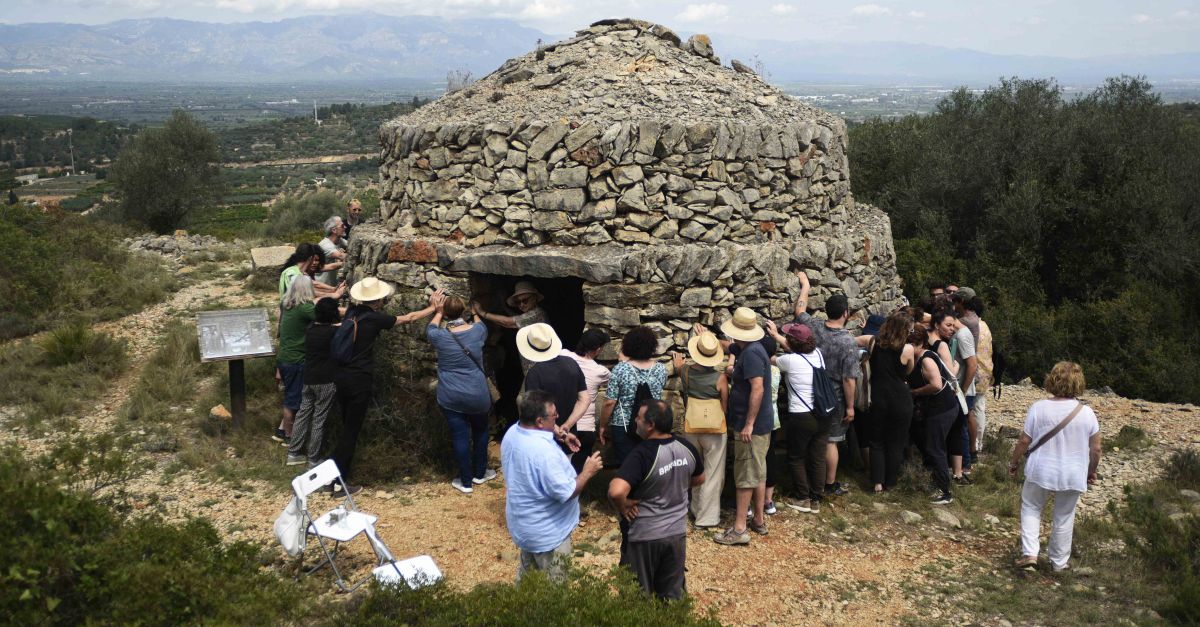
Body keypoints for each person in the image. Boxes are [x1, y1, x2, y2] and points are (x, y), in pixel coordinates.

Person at [331, 279, 442, 494]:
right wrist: (433, 307)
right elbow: (408, 318)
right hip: (359, 379)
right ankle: (338, 482)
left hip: (341, 377)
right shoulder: (373, 318)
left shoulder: (352, 312)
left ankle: (333, 475)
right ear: (378, 299)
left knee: (346, 427)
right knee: (350, 433)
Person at [502, 390, 603, 582]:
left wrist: (560, 435)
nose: (557, 418)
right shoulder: (544, 453)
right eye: (554, 416)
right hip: (549, 536)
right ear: (540, 421)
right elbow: (567, 492)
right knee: (554, 597)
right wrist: (588, 471)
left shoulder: (513, 432)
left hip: (525, 526)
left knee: (527, 588)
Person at [608, 400, 705, 600]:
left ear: (650, 425)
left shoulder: (642, 454)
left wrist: (623, 506)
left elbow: (616, 491)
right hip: (676, 534)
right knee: (671, 597)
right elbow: (699, 478)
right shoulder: (685, 447)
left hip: (643, 536)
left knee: (635, 601)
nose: (635, 420)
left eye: (639, 417)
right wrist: (674, 485)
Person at [1009, 362, 1101, 572]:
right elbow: (1096, 449)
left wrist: (1014, 462)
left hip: (1041, 468)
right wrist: (1091, 471)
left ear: (1052, 380)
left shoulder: (1039, 407)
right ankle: (1059, 563)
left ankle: (1030, 553)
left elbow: (1024, 440)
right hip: (1073, 471)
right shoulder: (1087, 413)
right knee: (1064, 515)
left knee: (1031, 507)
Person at [791, 270, 859, 497]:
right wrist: (850, 407)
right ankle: (829, 483)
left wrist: (805, 286)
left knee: (812, 441)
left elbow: (799, 310)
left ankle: (811, 480)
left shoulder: (815, 328)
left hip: (810, 391)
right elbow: (849, 379)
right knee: (831, 441)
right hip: (835, 397)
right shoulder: (848, 342)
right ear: (846, 314)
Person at [713, 307, 771, 546]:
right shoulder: (746, 348)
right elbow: (729, 346)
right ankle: (758, 519)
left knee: (746, 473)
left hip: (752, 428)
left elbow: (757, 389)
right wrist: (707, 338)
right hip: (758, 425)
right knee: (757, 471)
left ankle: (739, 529)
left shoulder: (753, 355)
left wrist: (748, 424)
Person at [427, 294, 494, 494]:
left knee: (460, 436)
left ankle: (466, 482)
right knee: (481, 431)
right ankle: (480, 474)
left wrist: (438, 312)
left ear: (446, 312)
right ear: (463, 310)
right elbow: (480, 324)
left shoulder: (439, 336)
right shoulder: (478, 331)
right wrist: (475, 312)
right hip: (477, 394)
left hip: (451, 394)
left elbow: (431, 327)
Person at [765, 319, 828, 513]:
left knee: (796, 456)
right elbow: (795, 350)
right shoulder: (817, 354)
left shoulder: (789, 361)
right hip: (823, 413)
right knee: (818, 456)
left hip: (802, 415)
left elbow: (770, 359)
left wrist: (773, 336)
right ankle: (817, 497)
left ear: (792, 344)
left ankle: (803, 497)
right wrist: (778, 336)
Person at [673, 329, 728, 528]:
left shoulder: (685, 371)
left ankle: (694, 508)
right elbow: (724, 404)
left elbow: (680, 371)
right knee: (713, 473)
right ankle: (707, 518)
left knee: (695, 469)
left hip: (692, 425)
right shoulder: (719, 377)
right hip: (714, 428)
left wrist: (678, 365)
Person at [520, 323, 590, 457]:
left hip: (546, 440)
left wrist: (558, 431)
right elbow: (585, 399)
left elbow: (536, 411)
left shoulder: (534, 374)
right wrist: (567, 426)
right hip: (570, 435)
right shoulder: (572, 363)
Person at [601, 326, 668, 465]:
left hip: (623, 425)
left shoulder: (620, 369)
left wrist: (602, 425)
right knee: (649, 466)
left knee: (627, 468)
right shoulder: (661, 369)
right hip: (651, 425)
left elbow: (609, 403)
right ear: (652, 346)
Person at [286, 297, 340, 468]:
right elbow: (340, 329)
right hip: (325, 380)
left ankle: (294, 453)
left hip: (308, 378)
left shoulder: (310, 329)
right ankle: (313, 459)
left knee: (303, 414)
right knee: (319, 419)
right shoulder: (333, 332)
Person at [865, 312, 916, 492]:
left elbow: (856, 340)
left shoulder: (873, 342)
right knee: (896, 442)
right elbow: (909, 370)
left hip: (879, 397)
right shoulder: (908, 349)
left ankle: (877, 482)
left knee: (876, 441)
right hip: (900, 398)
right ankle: (890, 481)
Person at [909, 323, 959, 504]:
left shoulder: (926, 360)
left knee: (935, 446)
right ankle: (934, 481)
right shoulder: (917, 357)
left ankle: (944, 491)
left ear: (921, 343)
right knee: (929, 444)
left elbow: (936, 385)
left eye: (911, 343)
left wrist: (915, 392)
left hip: (942, 407)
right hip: (933, 408)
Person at [276, 275, 318, 448]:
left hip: (284, 357)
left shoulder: (286, 305)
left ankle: (281, 430)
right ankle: (290, 437)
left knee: (290, 394)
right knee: (293, 400)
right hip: (296, 360)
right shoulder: (305, 308)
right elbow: (325, 317)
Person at [562, 329, 613, 472]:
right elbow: (614, 386)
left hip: (562, 423)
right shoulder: (601, 372)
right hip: (585, 426)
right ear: (598, 349)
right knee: (579, 468)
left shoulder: (563, 355)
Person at [316, 216, 347, 286]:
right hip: (321, 286)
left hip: (329, 285)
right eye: (342, 226)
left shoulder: (340, 241)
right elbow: (341, 256)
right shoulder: (325, 245)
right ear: (334, 230)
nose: (345, 227)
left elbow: (352, 245)